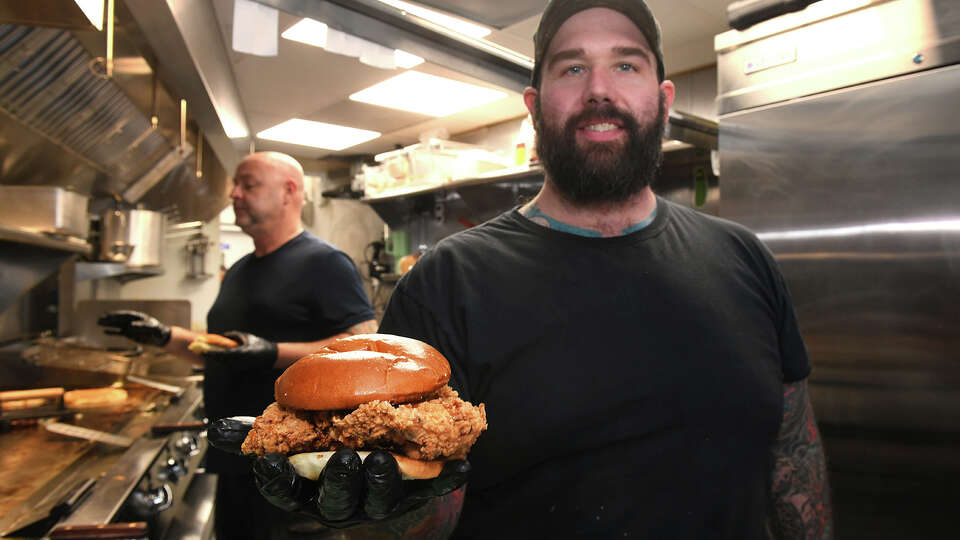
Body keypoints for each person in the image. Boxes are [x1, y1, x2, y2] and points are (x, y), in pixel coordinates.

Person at [242, 1, 833, 538]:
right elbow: (420, 510)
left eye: (626, 65)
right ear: (533, 107)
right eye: (571, 68)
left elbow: (793, 458)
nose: (600, 90)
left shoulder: (745, 257)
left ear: (665, 99)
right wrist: (377, 516)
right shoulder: (448, 283)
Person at [99, 151, 377, 539]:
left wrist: (271, 351)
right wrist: (164, 336)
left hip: (295, 475)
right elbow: (224, 349)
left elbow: (362, 349)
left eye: (248, 185)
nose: (234, 194)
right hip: (234, 463)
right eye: (235, 185)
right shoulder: (242, 270)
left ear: (288, 192)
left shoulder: (325, 263)